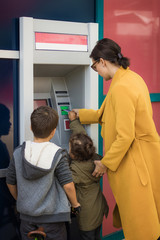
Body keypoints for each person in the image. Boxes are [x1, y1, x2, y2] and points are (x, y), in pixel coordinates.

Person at [72, 38, 160, 240]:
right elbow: (107, 113)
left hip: (134, 163)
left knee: (139, 222)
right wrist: (81, 114)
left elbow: (125, 136)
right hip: (143, 158)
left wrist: (105, 163)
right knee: (144, 214)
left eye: (94, 67)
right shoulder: (130, 78)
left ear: (102, 61)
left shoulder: (121, 88)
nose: (96, 72)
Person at [6, 106, 80, 240]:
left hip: (27, 219)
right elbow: (68, 185)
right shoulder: (58, 154)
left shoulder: (18, 152)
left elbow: (10, 181)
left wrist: (22, 200)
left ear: (31, 127)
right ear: (53, 131)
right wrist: (75, 204)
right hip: (53, 221)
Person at [68, 111, 109, 240]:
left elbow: (65, 183)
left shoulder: (75, 169)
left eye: (69, 149)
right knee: (97, 236)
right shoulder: (95, 158)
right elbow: (83, 139)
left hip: (86, 215)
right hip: (98, 208)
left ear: (74, 155)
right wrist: (74, 121)